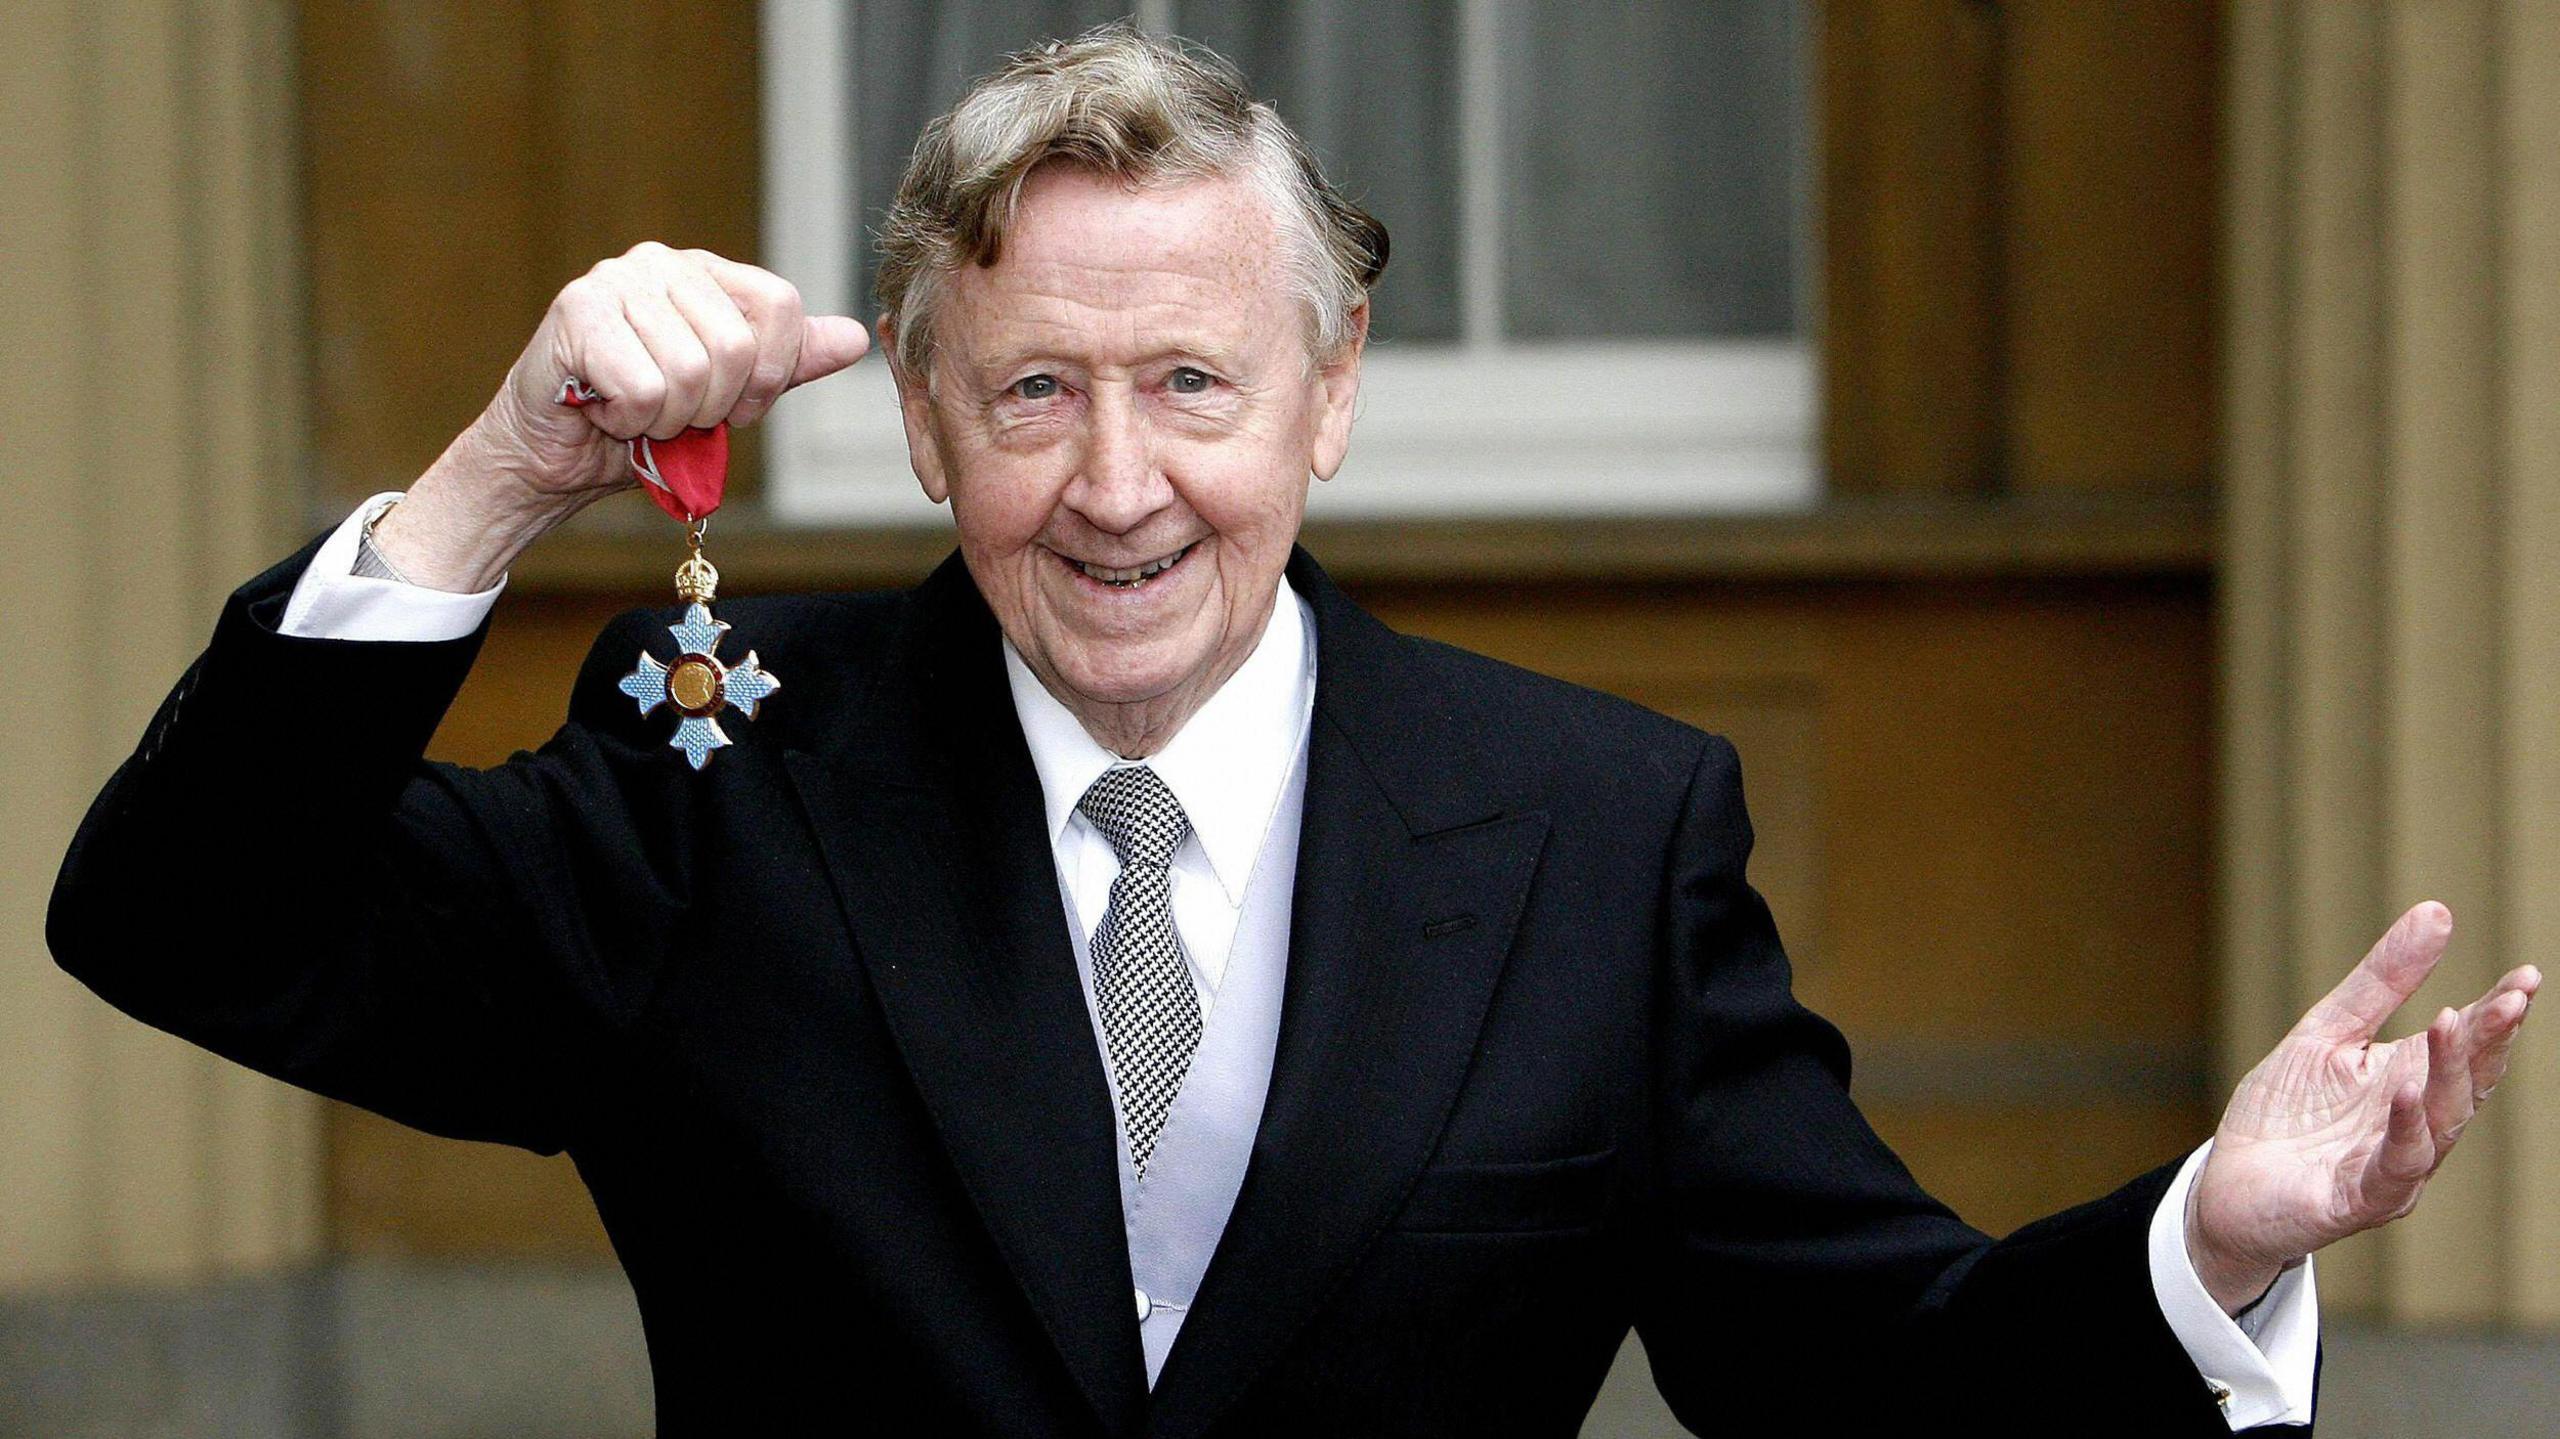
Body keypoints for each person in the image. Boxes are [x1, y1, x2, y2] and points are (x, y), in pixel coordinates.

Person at [47, 24, 2535, 1437]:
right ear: (917, 428)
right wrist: (502, 475)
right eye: (1028, 390)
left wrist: (2209, 1247)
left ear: (1328, 404)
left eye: (1189, 386)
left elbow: (1868, 1400)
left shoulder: (1591, 830)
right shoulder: (731, 765)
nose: (1113, 488)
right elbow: (183, 923)